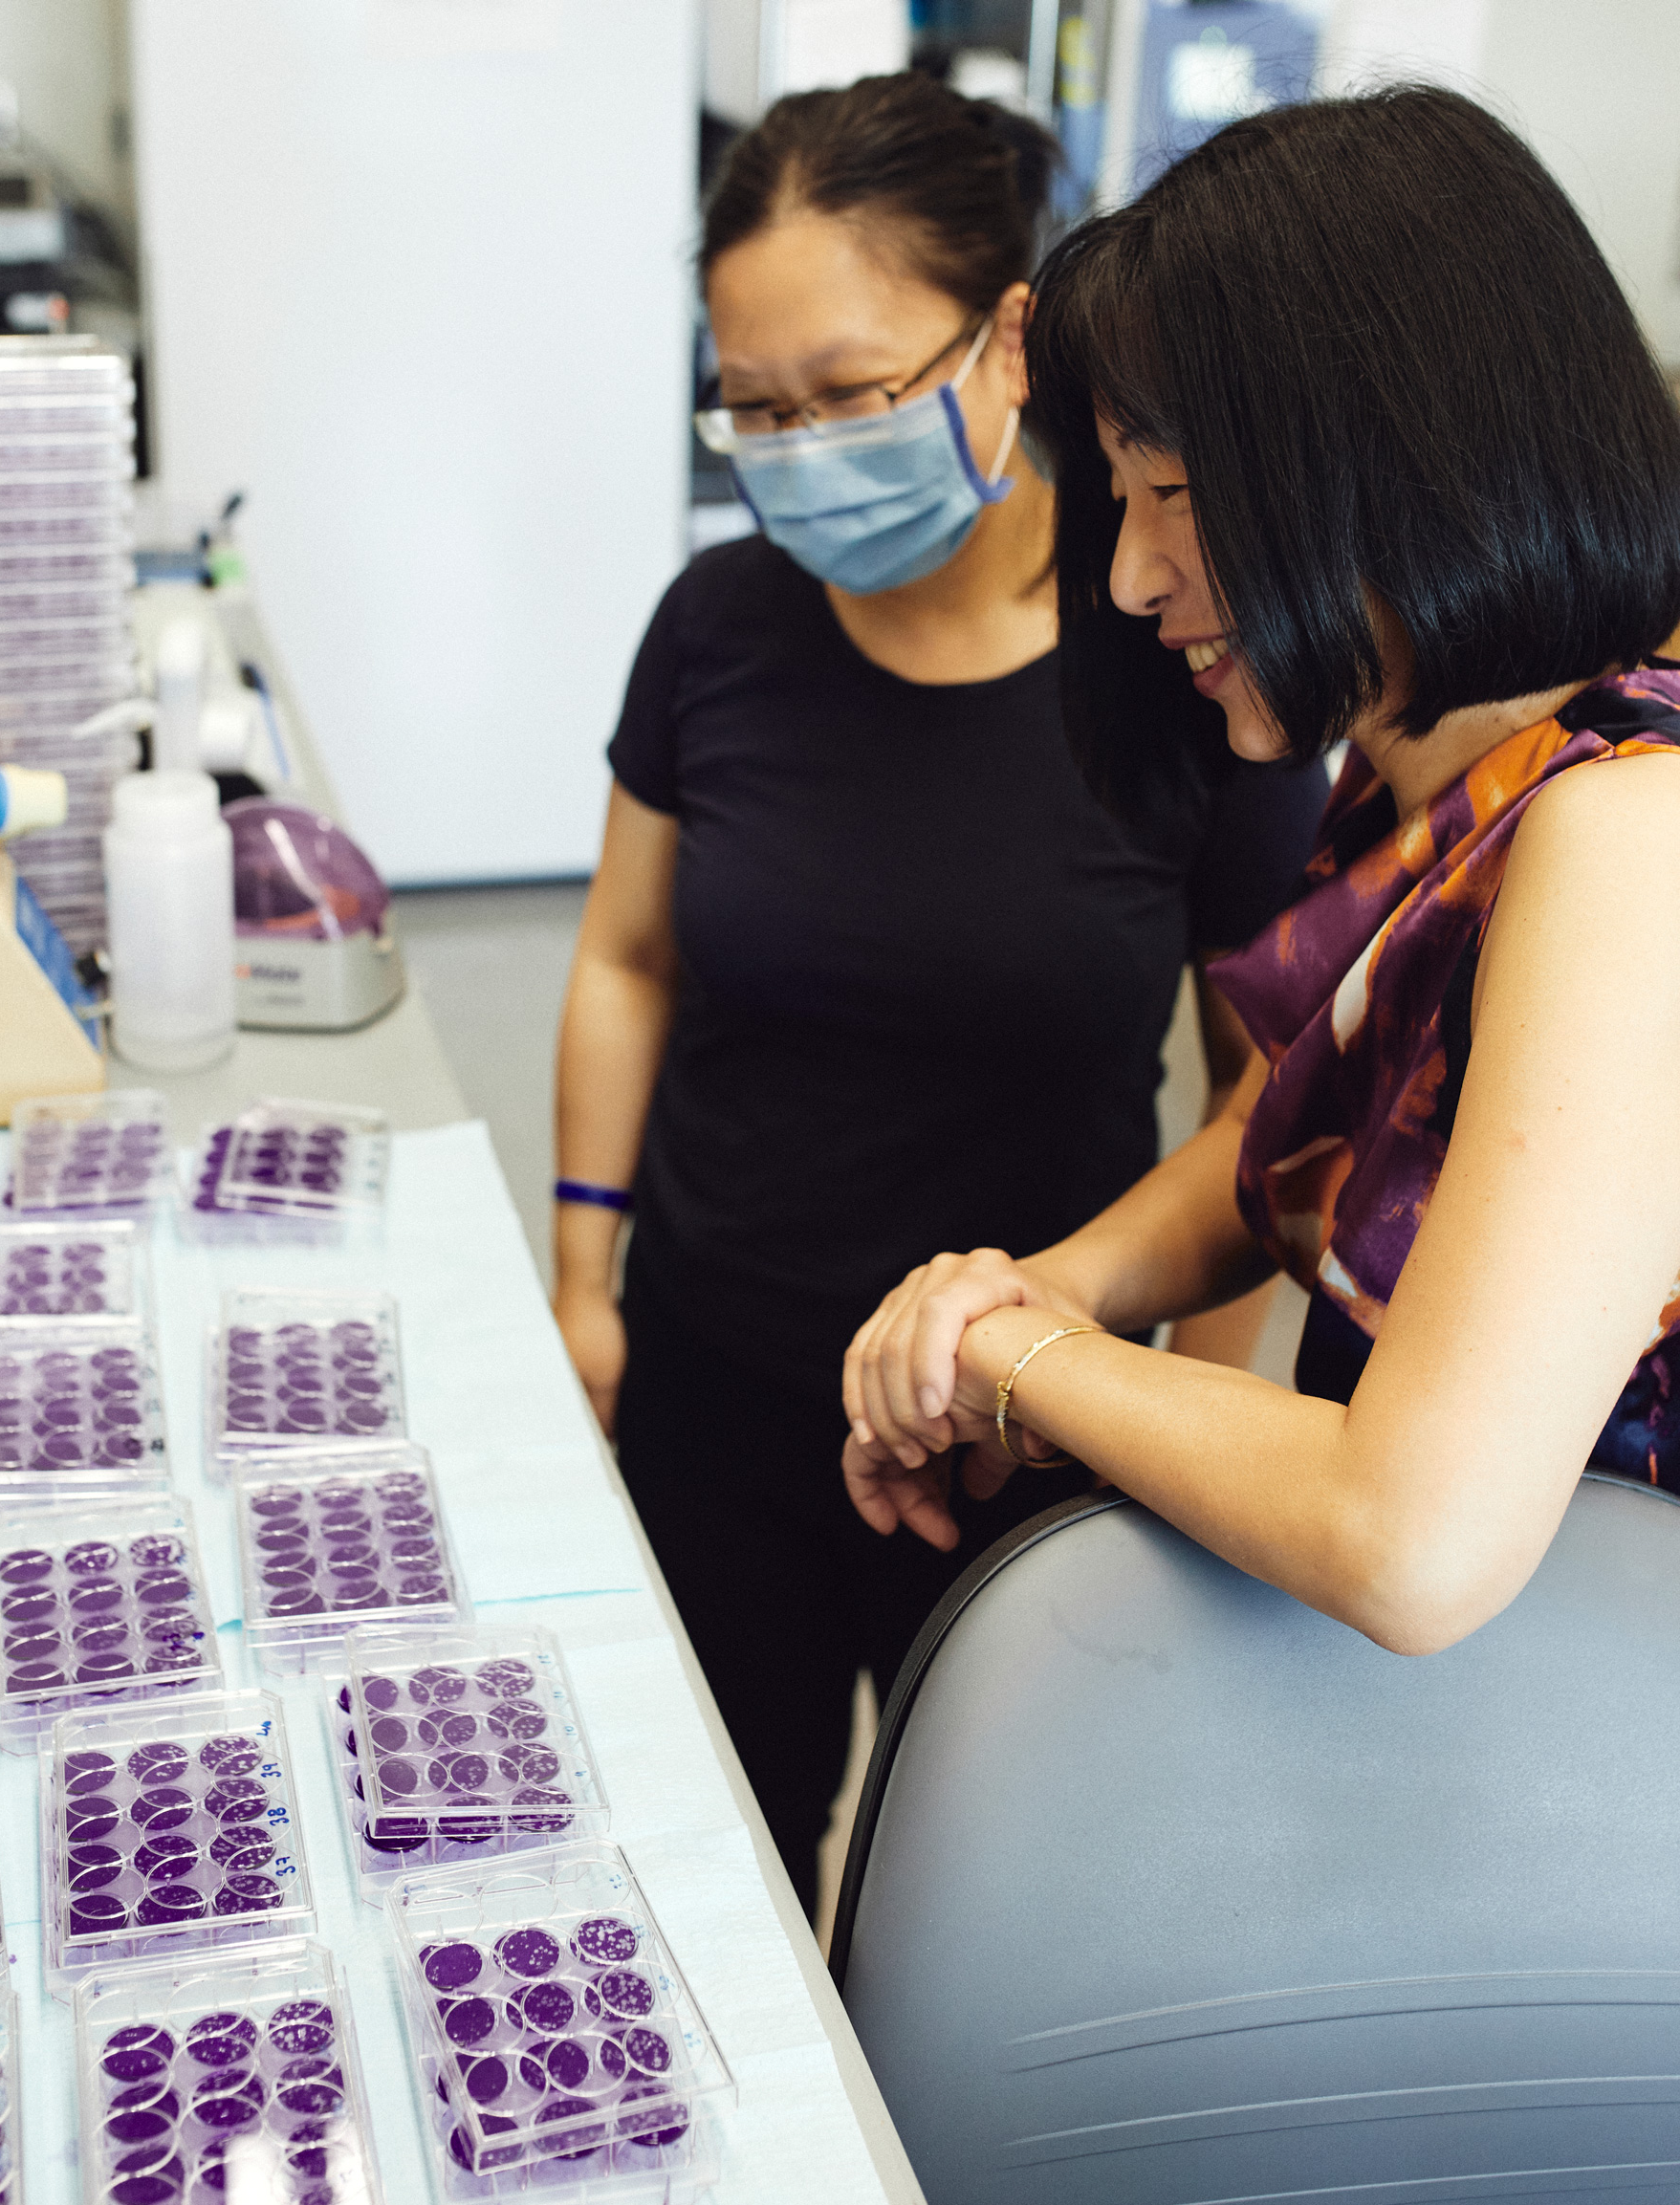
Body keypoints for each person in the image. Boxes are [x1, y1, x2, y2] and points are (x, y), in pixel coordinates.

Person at [552, 73, 1331, 1912]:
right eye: (757, 407)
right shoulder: (720, 626)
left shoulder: (1174, 648)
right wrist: (585, 1281)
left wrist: (1189, 1438)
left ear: (1007, 338)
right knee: (699, 1859)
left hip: (1021, 1422)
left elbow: (1260, 1090)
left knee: (977, 1899)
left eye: (852, 392)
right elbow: (625, 954)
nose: (801, 444)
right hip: (715, 1361)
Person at [840, 85, 1680, 1658]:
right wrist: (1045, 1286)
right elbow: (1282, 1122)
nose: (1132, 575)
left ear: (1404, 458)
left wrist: (1025, 1360)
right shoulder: (1435, 765)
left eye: (1177, 495)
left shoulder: (1635, 839)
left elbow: (1412, 1535)